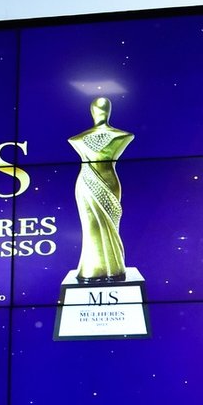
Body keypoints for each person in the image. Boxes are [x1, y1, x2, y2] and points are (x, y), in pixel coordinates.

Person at [69, 97, 135, 282]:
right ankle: (91, 269)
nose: (101, 112)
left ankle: (114, 269)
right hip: (86, 183)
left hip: (108, 183)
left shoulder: (121, 135)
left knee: (111, 225)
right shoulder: (77, 139)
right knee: (90, 227)